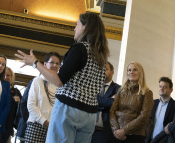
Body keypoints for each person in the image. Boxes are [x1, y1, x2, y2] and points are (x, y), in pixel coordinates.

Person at [16, 11, 109, 143]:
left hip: (69, 109)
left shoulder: (79, 49)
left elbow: (59, 81)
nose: (74, 28)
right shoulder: (101, 56)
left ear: (85, 26)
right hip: (89, 114)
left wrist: (35, 63)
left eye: (77, 24)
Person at [109, 62, 153, 143]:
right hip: (117, 134)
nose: (131, 72)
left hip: (136, 135)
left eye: (135, 70)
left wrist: (124, 131)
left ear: (140, 72)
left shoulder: (147, 92)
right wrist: (116, 130)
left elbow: (144, 116)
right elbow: (112, 111)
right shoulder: (121, 90)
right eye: (129, 70)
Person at [24, 52, 61, 143]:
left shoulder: (60, 85)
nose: (55, 65)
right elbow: (31, 105)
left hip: (53, 128)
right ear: (45, 64)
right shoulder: (37, 80)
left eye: (57, 63)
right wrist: (44, 122)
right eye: (52, 62)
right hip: (36, 126)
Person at [145, 77, 175, 143]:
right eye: (160, 86)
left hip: (165, 140)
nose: (161, 88)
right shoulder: (152, 103)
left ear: (171, 90)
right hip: (150, 140)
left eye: (165, 87)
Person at [93, 62, 120, 143]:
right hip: (88, 129)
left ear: (112, 72)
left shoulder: (118, 89)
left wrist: (97, 102)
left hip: (104, 132)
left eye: (105, 69)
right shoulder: (93, 86)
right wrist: (108, 101)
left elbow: (114, 105)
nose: (102, 71)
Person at [3, 67, 22, 142]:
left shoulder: (16, 92)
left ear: (11, 77)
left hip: (8, 127)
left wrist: (19, 102)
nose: (5, 77)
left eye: (8, 75)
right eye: (3, 75)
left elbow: (23, 108)